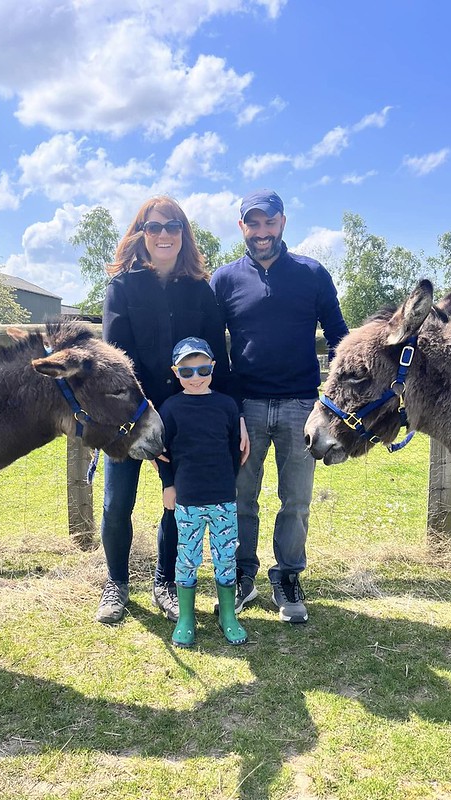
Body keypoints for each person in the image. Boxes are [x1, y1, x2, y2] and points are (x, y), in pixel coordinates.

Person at [210, 189, 348, 624]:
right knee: (240, 498)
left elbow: (341, 339)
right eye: (253, 223)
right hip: (246, 406)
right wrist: (231, 409)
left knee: (297, 502)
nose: (262, 231)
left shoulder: (312, 274)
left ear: (283, 222)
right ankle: (243, 575)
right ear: (242, 227)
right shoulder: (224, 280)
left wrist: (333, 400)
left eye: (269, 222)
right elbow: (213, 348)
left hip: (302, 406)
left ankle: (287, 576)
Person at [96, 196, 237, 625]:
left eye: (172, 226)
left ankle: (165, 581)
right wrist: (142, 412)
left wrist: (233, 415)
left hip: (185, 419)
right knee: (117, 504)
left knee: (177, 503)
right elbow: (115, 360)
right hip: (130, 418)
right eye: (154, 227)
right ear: (141, 234)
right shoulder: (121, 288)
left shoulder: (200, 290)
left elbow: (218, 359)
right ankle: (116, 583)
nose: (163, 235)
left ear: (183, 234)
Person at [157, 337, 247, 648]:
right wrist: (168, 484)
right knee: (187, 559)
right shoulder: (170, 408)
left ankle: (227, 615)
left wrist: (229, 482)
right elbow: (163, 453)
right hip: (187, 500)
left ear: (213, 367)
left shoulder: (226, 405)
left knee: (226, 557)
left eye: (203, 370)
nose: (195, 378)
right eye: (186, 372)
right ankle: (186, 617)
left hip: (223, 499)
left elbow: (235, 450)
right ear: (176, 372)